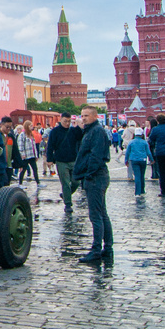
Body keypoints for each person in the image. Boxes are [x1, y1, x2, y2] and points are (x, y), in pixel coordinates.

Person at [72, 106, 113, 263]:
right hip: (95, 176)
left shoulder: (96, 132)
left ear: (95, 116)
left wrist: (88, 173)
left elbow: (96, 155)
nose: (83, 118)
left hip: (96, 177)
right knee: (102, 213)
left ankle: (97, 250)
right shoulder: (90, 131)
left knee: (96, 215)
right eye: (82, 115)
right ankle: (107, 249)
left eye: (87, 115)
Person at [125, 128, 151, 197]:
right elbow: (148, 152)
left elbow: (127, 152)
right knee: (142, 175)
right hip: (143, 160)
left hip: (134, 160)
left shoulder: (131, 142)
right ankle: (142, 190)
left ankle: (137, 192)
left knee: (137, 176)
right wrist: (151, 159)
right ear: (142, 135)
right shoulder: (144, 142)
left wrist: (126, 161)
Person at [14, 120, 40, 188]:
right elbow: (20, 145)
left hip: (32, 155)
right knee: (23, 169)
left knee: (35, 169)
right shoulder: (22, 135)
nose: (32, 127)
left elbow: (34, 146)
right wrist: (22, 154)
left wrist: (36, 155)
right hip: (26, 156)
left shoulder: (31, 134)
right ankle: (20, 183)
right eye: (30, 126)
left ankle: (38, 183)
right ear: (27, 126)